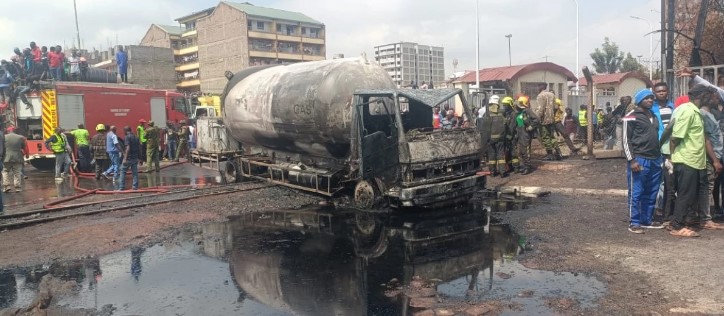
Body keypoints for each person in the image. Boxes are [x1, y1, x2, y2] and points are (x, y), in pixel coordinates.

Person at [667, 85, 717, 237]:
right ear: (702, 96)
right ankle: (677, 226)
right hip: (686, 160)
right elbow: (675, 137)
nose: (711, 99)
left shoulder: (696, 112)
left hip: (696, 160)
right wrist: (671, 158)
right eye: (709, 96)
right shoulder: (687, 111)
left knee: (692, 194)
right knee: (685, 194)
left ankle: (685, 221)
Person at [622, 89, 663, 234]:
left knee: (652, 191)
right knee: (636, 191)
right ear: (639, 101)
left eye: (652, 98)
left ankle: (647, 220)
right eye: (647, 98)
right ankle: (634, 222)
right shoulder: (630, 116)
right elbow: (626, 140)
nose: (651, 100)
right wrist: (632, 160)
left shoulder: (653, 115)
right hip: (639, 158)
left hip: (655, 160)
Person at [533, 83, 561, 160]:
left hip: (543, 120)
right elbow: (556, 107)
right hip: (552, 119)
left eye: (538, 86)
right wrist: (552, 115)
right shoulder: (552, 95)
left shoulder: (540, 96)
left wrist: (536, 119)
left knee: (545, 137)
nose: (537, 88)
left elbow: (540, 109)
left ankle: (550, 154)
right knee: (552, 136)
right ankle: (558, 152)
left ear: (541, 87)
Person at [513, 96, 539, 175]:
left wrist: (530, 127)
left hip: (525, 134)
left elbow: (536, 119)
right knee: (520, 151)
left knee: (525, 151)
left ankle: (527, 167)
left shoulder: (527, 111)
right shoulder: (519, 112)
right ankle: (524, 166)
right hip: (520, 133)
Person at [484, 95, 508, 176]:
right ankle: (502, 172)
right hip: (501, 138)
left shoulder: (487, 113)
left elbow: (485, 127)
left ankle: (492, 172)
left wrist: (486, 138)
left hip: (490, 138)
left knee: (492, 155)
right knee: (501, 155)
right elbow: (505, 124)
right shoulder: (502, 112)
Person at [3, 126, 27, 193]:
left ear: (8, 131)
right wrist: (27, 154)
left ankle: (7, 186)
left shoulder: (4, 137)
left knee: (5, 171)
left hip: (6, 157)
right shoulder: (20, 137)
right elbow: (24, 147)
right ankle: (18, 187)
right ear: (15, 131)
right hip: (18, 157)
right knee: (17, 172)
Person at [116, 126, 140, 191]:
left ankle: (121, 187)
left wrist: (125, 158)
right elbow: (139, 148)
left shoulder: (127, 137)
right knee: (135, 173)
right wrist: (140, 158)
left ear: (125, 131)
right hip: (135, 158)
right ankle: (135, 187)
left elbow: (128, 147)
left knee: (122, 172)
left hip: (128, 158)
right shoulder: (136, 137)